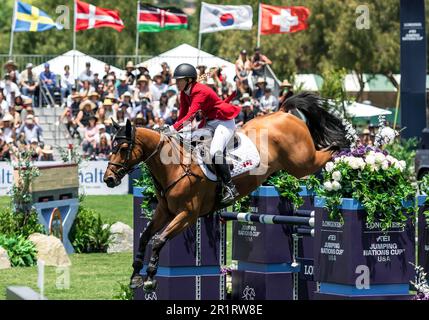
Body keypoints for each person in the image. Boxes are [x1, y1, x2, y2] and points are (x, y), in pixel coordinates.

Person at [170, 63, 241, 205]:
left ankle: (230, 187)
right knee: (192, 144)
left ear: (189, 80)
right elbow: (183, 114)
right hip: (209, 122)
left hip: (223, 121)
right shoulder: (184, 92)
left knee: (215, 151)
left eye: (179, 80)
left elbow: (191, 116)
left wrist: (172, 129)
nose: (176, 83)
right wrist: (174, 129)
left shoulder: (200, 91)